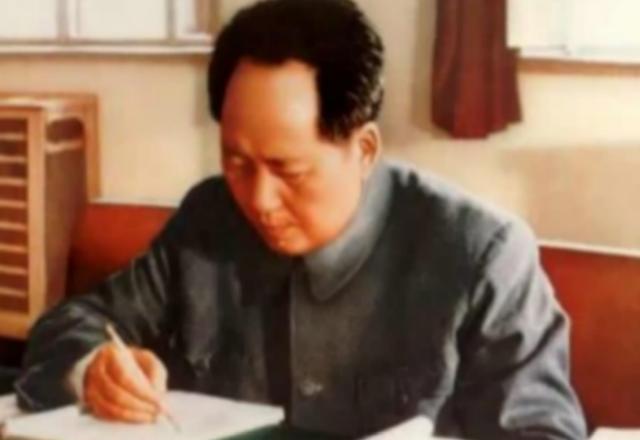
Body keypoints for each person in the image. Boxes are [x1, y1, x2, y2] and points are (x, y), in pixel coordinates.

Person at [16, 0, 587, 438]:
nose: (259, 199)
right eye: (237, 162)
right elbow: (70, 324)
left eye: (287, 170)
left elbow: (542, 431)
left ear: (364, 149)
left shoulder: (481, 254)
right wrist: (95, 369)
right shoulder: (208, 220)